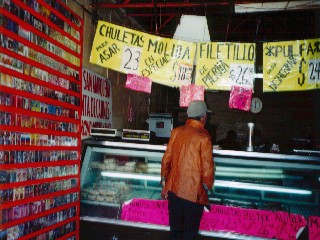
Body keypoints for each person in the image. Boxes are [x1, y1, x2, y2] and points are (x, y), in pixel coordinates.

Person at [160, 100, 215, 240]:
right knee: (189, 234)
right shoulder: (204, 138)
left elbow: (166, 160)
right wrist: (210, 187)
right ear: (203, 118)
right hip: (193, 195)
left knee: (175, 233)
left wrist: (165, 182)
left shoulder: (176, 132)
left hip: (174, 192)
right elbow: (207, 170)